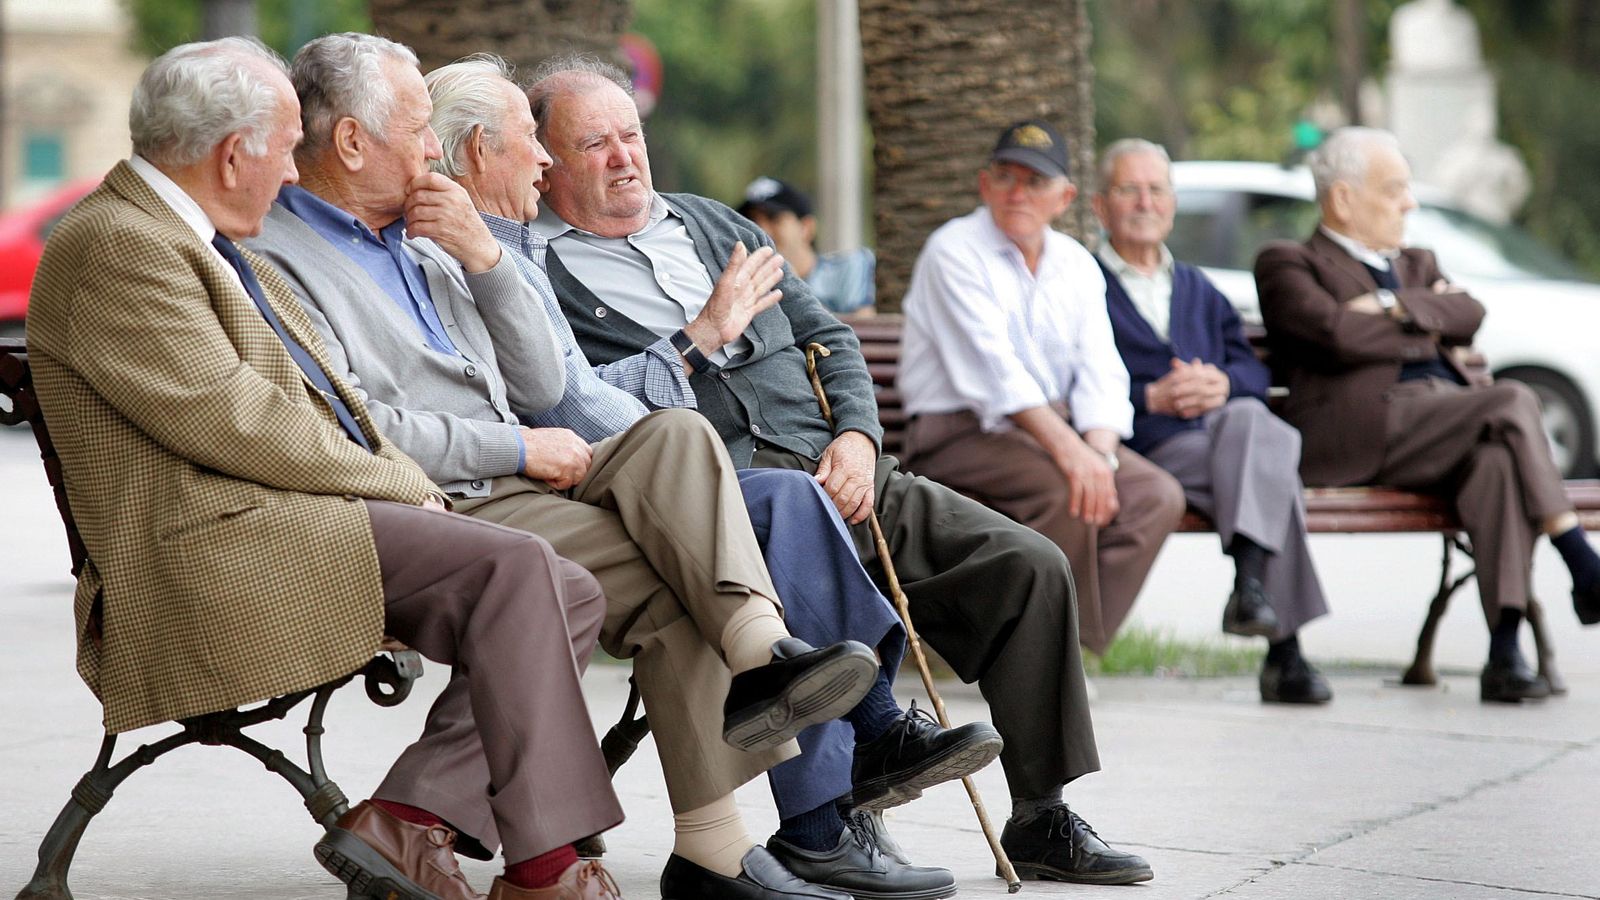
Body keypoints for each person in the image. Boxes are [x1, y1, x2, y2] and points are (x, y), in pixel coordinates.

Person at [248, 36, 976, 900]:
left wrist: (484, 260)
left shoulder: (430, 238)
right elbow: (369, 430)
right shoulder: (282, 256)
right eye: (416, 128)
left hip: (527, 486)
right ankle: (637, 824)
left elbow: (543, 379)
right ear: (357, 144)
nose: (433, 148)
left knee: (681, 460)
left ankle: (729, 790)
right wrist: (535, 436)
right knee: (704, 509)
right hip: (437, 504)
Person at [529, 55, 1156, 887]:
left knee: (1028, 566)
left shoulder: (715, 224)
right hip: (722, 503)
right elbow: (574, 405)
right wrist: (705, 331)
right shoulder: (539, 274)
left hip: (844, 472)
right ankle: (827, 826)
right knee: (796, 532)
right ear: (545, 163)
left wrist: (857, 436)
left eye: (631, 136)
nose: (624, 158)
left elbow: (830, 339)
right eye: (594, 144)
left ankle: (1041, 816)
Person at [25, 37, 623, 900]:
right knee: (523, 567)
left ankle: (410, 821)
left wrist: (397, 480)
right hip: (208, 553)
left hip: (281, 517)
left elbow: (317, 405)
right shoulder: (121, 243)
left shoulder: (181, 236)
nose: (292, 171)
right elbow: (243, 422)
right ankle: (546, 869)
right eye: (282, 149)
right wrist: (409, 485)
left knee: (567, 586)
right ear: (234, 155)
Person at [1253, 126, 1600, 703]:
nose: (1409, 203)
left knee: (1494, 461)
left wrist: (1389, 307)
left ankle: (1505, 652)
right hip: (1361, 435)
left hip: (1444, 425)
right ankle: (1579, 558)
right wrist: (1422, 325)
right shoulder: (1289, 262)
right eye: (1394, 190)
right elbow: (1334, 335)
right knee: (1513, 399)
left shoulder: (1416, 261)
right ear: (1342, 198)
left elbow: (1469, 312)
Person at [899, 119, 1187, 659]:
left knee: (1156, 496)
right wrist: (1075, 457)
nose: (1017, 193)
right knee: (1065, 487)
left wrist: (1098, 453)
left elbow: (1102, 371)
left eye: (1035, 182)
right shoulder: (953, 250)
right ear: (984, 185)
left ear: (1065, 197)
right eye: (1005, 177)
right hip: (957, 431)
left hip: (1047, 432)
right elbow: (995, 374)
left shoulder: (1076, 263)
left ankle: (1064, 649)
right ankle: (1040, 658)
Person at [1092, 138, 1333, 704]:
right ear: (1101, 206)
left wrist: (1222, 384)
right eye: (1130, 190)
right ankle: (1284, 652)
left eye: (1156, 190)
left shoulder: (1199, 288)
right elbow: (1066, 382)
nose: (1145, 203)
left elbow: (1248, 368)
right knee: (1270, 466)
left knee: (1252, 422)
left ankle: (1252, 588)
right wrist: (1149, 397)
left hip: (1223, 439)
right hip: (1149, 450)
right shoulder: (1082, 284)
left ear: (1173, 203)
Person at [737, 176, 876, 317]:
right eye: (751, 221)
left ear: (806, 227)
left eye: (774, 219)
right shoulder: (743, 284)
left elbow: (864, 331)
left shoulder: (848, 268)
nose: (761, 230)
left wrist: (792, 286)